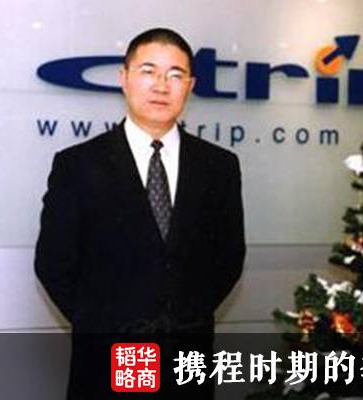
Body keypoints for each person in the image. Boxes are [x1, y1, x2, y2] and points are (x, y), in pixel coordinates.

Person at [34, 27, 245, 399]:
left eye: (175, 75)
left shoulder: (219, 166)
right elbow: (54, 264)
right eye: (149, 71)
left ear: (190, 86)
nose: (161, 85)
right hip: (108, 362)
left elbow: (228, 258)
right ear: (124, 78)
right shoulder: (79, 164)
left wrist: (182, 319)